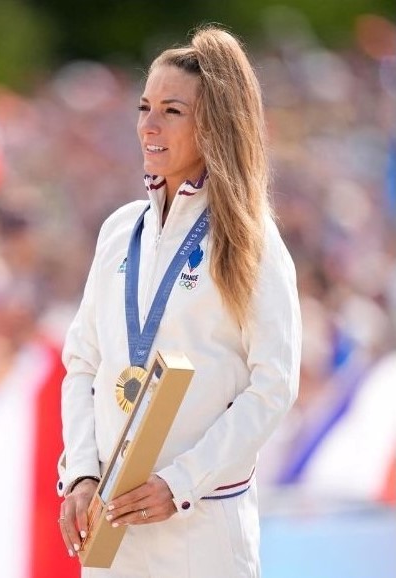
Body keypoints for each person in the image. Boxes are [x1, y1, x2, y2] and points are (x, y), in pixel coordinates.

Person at [56, 25, 301, 577]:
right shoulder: (120, 231)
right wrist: (80, 473)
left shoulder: (249, 239)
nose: (149, 125)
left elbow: (275, 386)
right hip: (111, 532)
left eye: (171, 110)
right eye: (144, 107)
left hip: (202, 534)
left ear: (212, 123)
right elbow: (82, 364)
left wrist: (181, 483)